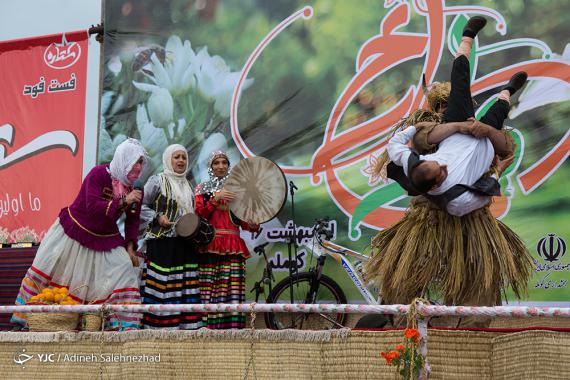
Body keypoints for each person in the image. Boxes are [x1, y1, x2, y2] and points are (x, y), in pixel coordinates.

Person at [364, 17, 533, 319]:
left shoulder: (441, 135)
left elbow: (504, 147)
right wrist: (453, 127)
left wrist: (481, 133)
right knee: (404, 280)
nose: (444, 111)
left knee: (480, 285)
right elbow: (419, 138)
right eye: (439, 108)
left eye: (447, 107)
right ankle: (405, 325)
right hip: (428, 219)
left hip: (473, 223)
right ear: (432, 109)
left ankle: (503, 86)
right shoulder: (426, 137)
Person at [12, 138, 147, 331]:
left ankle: (123, 328)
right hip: (73, 231)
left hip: (105, 237)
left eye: (141, 162)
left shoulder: (134, 189)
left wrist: (131, 248)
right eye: (135, 161)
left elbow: (133, 220)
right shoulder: (99, 174)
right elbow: (92, 207)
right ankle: (26, 320)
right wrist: (124, 201)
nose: (138, 167)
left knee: (125, 269)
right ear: (123, 159)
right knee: (50, 267)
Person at [139, 144, 202, 330]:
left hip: (185, 245)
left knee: (184, 285)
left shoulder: (189, 185)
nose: (181, 161)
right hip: (162, 245)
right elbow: (140, 206)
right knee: (162, 285)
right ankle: (158, 329)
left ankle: (186, 329)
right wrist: (157, 217)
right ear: (168, 159)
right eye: (177, 157)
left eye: (183, 157)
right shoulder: (157, 181)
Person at [194, 150, 259, 329]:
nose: (221, 166)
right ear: (210, 166)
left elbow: (245, 221)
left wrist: (253, 224)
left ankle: (232, 330)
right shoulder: (203, 189)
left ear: (229, 166)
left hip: (233, 245)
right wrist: (216, 198)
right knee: (209, 289)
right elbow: (199, 214)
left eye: (224, 162)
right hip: (210, 245)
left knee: (233, 290)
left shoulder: (238, 190)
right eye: (216, 163)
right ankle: (207, 330)